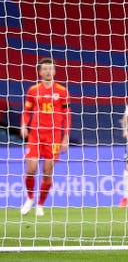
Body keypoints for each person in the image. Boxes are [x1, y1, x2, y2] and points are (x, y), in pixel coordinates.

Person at [20, 58, 71, 217]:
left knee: (47, 172)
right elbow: (27, 111)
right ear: (40, 72)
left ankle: (40, 205)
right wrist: (23, 125)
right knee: (31, 169)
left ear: (55, 71)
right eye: (45, 69)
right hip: (35, 135)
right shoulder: (33, 90)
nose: (48, 71)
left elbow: (67, 114)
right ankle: (30, 198)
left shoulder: (62, 91)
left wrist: (66, 136)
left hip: (54, 137)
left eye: (50, 69)